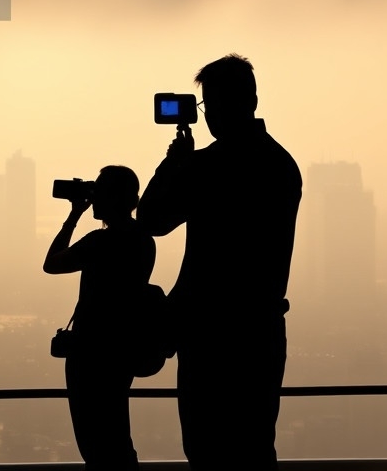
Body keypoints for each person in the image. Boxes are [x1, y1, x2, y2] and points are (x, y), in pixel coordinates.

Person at [137, 54, 301, 470]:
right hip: (260, 331)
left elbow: (152, 219)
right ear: (253, 99)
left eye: (207, 104)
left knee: (207, 449)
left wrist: (174, 163)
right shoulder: (282, 164)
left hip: (208, 334)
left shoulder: (208, 165)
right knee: (254, 447)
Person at [43, 165, 156, 470]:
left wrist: (74, 215)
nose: (93, 198)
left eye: (99, 191)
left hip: (90, 352)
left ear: (114, 197)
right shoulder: (144, 240)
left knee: (95, 441)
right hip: (124, 349)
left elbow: (51, 264)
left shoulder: (100, 242)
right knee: (116, 432)